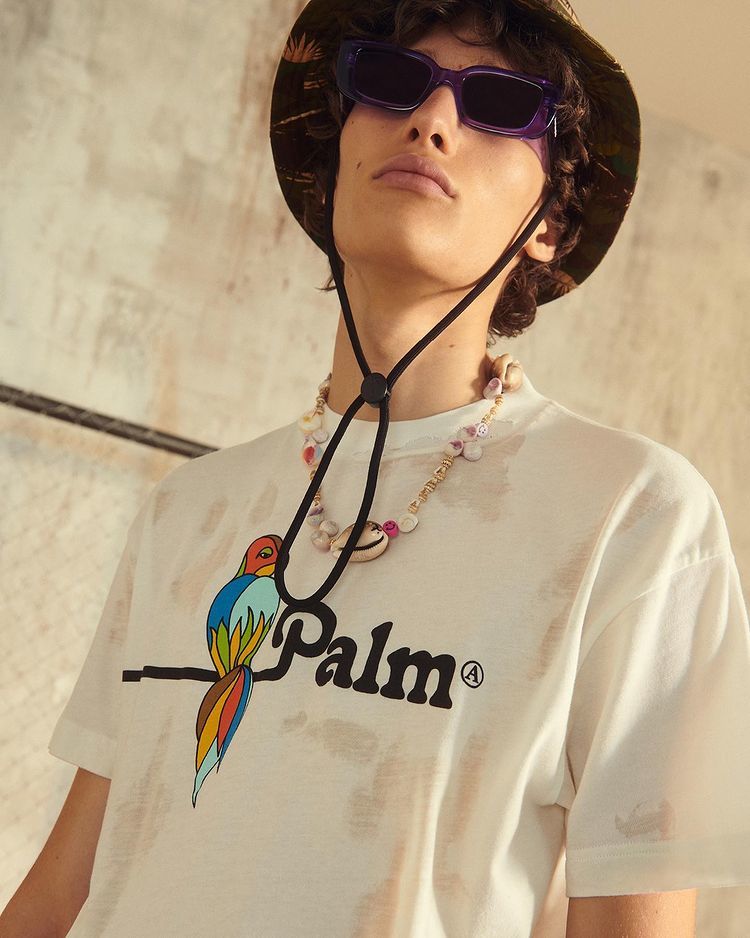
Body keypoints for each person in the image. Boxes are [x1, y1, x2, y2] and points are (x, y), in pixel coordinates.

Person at [3, 1, 750, 936]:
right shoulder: (186, 511)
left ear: (551, 223)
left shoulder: (634, 517)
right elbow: (62, 890)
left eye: (498, 103)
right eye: (393, 82)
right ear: (331, 171)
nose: (431, 119)